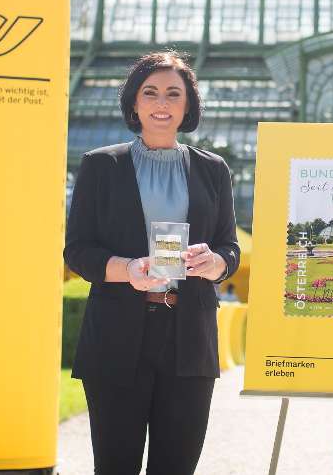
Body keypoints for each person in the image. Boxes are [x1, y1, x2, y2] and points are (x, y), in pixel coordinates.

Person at [64, 51, 239, 475]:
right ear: (135, 103)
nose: (162, 102)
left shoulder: (213, 170)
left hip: (189, 338)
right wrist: (125, 270)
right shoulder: (101, 165)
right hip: (117, 335)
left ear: (187, 106)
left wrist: (215, 262)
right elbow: (78, 251)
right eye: (151, 92)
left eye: (173, 94)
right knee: (115, 464)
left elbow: (229, 249)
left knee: (177, 466)